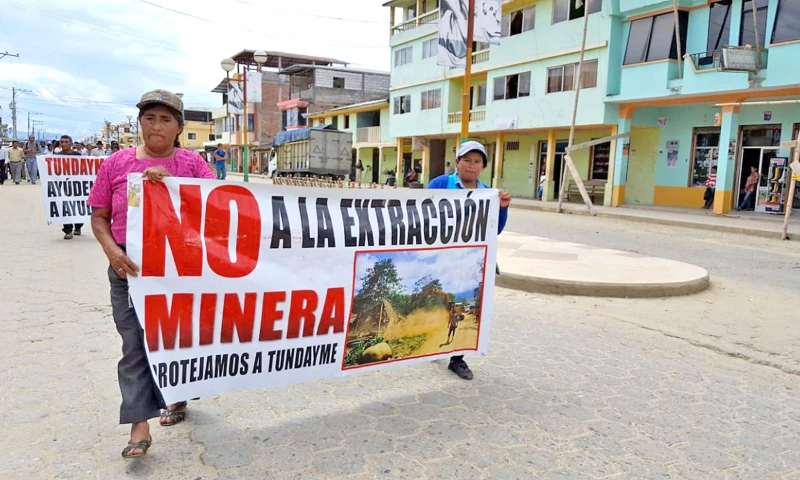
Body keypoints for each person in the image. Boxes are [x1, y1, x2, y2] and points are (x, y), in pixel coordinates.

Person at [87, 89, 215, 459]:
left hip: (180, 267)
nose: (156, 126)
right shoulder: (116, 163)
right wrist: (112, 251)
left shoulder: (192, 165)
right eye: (149, 118)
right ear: (139, 123)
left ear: (179, 127)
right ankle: (139, 425)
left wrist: (173, 189)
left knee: (178, 336)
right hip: (129, 267)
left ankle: (176, 397)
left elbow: (215, 207)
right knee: (133, 343)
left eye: (165, 119)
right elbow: (99, 218)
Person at [428, 141, 510, 380]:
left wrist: (503, 208)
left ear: (483, 166)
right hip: (441, 260)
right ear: (457, 162)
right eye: (467, 160)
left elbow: (495, 230)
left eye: (477, 162)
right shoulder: (441, 184)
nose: (471, 166)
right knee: (440, 304)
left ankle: (458, 358)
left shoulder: (488, 194)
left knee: (466, 307)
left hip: (470, 264)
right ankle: (433, 344)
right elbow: (423, 216)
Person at [57, 136, 85, 239]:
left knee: (78, 207)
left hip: (76, 186)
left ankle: (78, 226)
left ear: (71, 144)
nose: (63, 144)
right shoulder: (57, 156)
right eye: (62, 142)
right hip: (63, 186)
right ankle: (68, 230)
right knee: (65, 207)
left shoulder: (77, 155)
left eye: (66, 142)